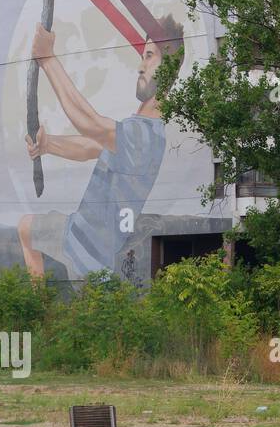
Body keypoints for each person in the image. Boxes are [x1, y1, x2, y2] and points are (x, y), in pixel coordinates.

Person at [17, 15, 184, 278]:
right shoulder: (136, 128)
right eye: (143, 55)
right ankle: (38, 310)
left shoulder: (145, 134)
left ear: (169, 69)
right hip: (74, 232)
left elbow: (90, 124)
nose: (141, 66)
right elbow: (90, 147)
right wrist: (49, 145)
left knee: (87, 311)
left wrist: (48, 59)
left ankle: (40, 308)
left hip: (90, 256)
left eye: (149, 56)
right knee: (26, 228)